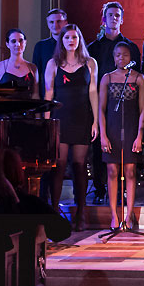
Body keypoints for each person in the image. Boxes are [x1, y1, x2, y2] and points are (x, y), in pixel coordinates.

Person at [44, 23, 99, 228]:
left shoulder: (90, 63)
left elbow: (93, 92)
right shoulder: (53, 63)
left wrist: (96, 121)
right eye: (67, 37)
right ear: (62, 41)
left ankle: (81, 213)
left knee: (79, 165)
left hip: (82, 118)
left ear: (79, 40)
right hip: (60, 118)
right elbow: (48, 93)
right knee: (58, 165)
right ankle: (54, 212)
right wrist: (47, 122)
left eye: (74, 37)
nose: (71, 41)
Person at [87, 1, 142, 204]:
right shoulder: (93, 48)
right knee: (100, 148)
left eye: (117, 15)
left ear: (122, 19)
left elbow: (138, 76)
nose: (114, 18)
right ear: (104, 18)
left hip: (127, 106)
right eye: (110, 15)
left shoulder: (131, 47)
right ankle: (100, 190)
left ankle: (124, 192)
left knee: (126, 152)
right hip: (102, 105)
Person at [98, 41, 144, 230]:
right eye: (118, 55)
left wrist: (139, 136)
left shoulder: (138, 78)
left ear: (131, 57)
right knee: (112, 171)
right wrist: (103, 135)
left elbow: (142, 110)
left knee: (130, 171)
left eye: (125, 55)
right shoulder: (107, 78)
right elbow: (101, 109)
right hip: (111, 129)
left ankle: (128, 215)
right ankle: (113, 215)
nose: (121, 58)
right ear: (113, 57)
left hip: (131, 130)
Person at [32, 8, 68, 99]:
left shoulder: (73, 45)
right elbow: (36, 74)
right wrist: (36, 94)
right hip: (46, 96)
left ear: (65, 23)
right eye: (51, 22)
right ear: (48, 24)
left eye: (59, 21)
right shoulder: (40, 46)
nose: (55, 25)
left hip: (68, 95)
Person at [0, 28, 38, 94]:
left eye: (21, 40)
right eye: (13, 41)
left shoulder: (33, 68)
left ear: (25, 42)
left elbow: (36, 95)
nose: (18, 44)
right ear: (7, 44)